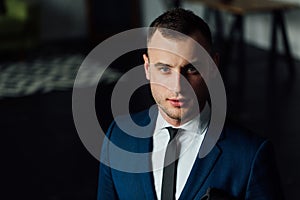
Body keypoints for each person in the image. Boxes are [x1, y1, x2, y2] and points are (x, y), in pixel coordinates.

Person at [97, 8, 283, 200]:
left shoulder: (250, 156)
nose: (178, 86)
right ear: (147, 68)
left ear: (213, 67)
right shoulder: (118, 137)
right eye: (164, 69)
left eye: (191, 69)